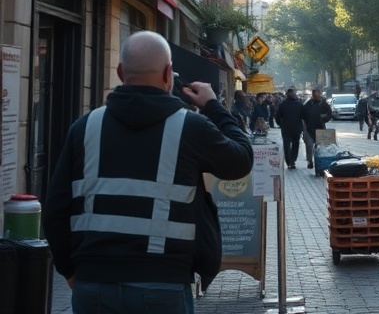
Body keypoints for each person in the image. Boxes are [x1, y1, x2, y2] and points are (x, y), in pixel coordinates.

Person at [42, 31, 253, 313]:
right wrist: (213, 105)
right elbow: (241, 160)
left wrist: (69, 270)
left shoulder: (84, 127)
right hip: (163, 284)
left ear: (120, 72)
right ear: (168, 73)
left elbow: (55, 208)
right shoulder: (190, 128)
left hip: (93, 283)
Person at [300, 88, 331, 174]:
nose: (316, 95)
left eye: (318, 93)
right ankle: (310, 161)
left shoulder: (323, 104)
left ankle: (319, 163)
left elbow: (329, 114)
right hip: (309, 128)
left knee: (320, 147)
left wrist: (324, 118)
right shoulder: (308, 104)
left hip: (320, 127)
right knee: (309, 146)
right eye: (315, 94)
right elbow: (302, 114)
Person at [275, 88, 304, 170]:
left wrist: (281, 124)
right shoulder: (299, 104)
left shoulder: (282, 104)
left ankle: (289, 162)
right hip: (296, 128)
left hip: (286, 128)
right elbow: (303, 116)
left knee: (287, 145)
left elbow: (277, 117)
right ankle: (292, 161)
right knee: (295, 144)